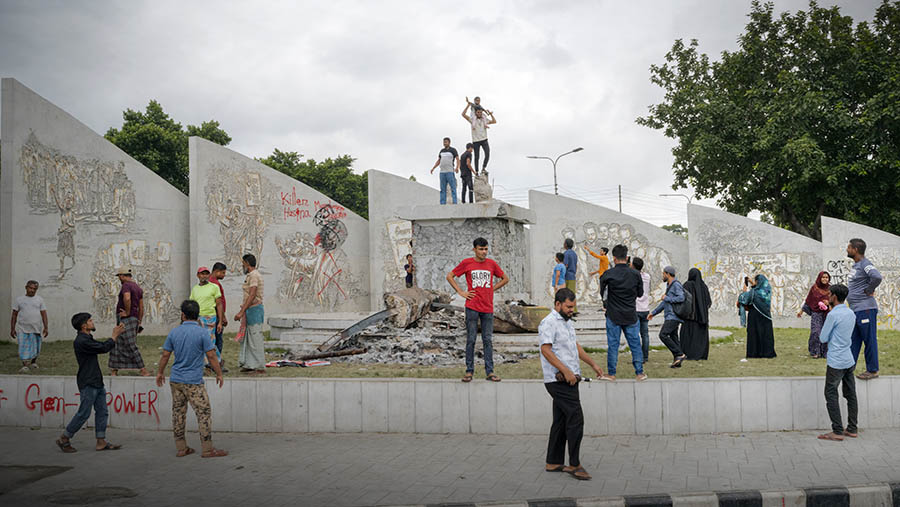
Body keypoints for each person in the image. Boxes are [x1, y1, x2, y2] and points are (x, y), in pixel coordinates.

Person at [539, 288, 604, 481]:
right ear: (557, 304)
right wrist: (566, 371)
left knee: (560, 421)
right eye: (568, 307)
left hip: (571, 378)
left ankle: (553, 461)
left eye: (573, 307)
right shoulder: (548, 322)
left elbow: (575, 346)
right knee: (576, 418)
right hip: (558, 380)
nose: (571, 310)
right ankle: (575, 465)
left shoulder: (567, 323)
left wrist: (592, 363)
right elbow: (545, 350)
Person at [156, 300, 228, 458]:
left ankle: (181, 448)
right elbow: (211, 355)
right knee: (203, 412)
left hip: (176, 380)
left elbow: (166, 355)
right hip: (193, 381)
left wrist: (160, 372)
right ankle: (207, 449)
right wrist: (219, 373)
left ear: (182, 315)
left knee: (178, 413)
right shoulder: (202, 333)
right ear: (198, 316)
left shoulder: (174, 332)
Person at [56, 313, 125, 453]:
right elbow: (103, 347)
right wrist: (114, 335)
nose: (92, 322)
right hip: (88, 381)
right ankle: (64, 437)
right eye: (90, 321)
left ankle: (101, 441)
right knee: (84, 413)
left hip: (95, 380)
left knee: (102, 411)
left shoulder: (87, 338)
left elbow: (102, 346)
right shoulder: (82, 341)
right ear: (84, 326)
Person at [447, 237, 510, 382]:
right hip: (472, 307)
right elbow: (450, 276)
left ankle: (490, 371)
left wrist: (492, 288)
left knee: (487, 339)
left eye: (486, 249)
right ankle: (469, 371)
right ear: (474, 249)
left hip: (487, 307)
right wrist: (461, 292)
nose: (484, 252)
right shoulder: (467, 263)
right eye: (481, 249)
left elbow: (505, 278)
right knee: (471, 339)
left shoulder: (492, 264)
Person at [598, 245, 646, 381]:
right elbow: (640, 294)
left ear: (613, 258)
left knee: (613, 345)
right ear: (626, 258)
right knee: (635, 344)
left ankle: (611, 373)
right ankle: (640, 373)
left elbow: (603, 294)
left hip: (613, 315)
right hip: (630, 314)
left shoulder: (608, 274)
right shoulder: (636, 274)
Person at [817, 284, 858, 441]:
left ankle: (837, 431)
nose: (828, 297)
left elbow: (823, 338)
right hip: (848, 359)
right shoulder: (850, 313)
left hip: (836, 361)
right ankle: (852, 428)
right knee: (850, 394)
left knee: (831, 393)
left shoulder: (833, 315)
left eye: (829, 294)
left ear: (834, 297)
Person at [846, 238, 883, 380]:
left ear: (855, 249)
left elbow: (877, 277)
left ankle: (873, 370)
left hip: (866, 309)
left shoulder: (865, 264)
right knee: (853, 340)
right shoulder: (856, 266)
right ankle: (849, 368)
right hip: (856, 310)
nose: (847, 250)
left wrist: (869, 289)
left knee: (869, 340)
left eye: (849, 247)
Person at [109, 268, 149, 376]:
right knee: (117, 343)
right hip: (134, 318)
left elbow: (127, 298)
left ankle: (143, 370)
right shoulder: (138, 287)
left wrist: (127, 312)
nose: (119, 279)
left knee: (130, 344)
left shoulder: (126, 285)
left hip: (126, 319)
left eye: (119, 276)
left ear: (122, 276)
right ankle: (114, 370)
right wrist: (139, 322)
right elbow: (141, 307)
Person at [648, 266, 687, 368]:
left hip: (673, 316)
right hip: (671, 316)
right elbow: (664, 303)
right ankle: (677, 361)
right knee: (674, 338)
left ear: (668, 274)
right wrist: (653, 313)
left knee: (663, 335)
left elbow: (681, 297)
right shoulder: (669, 286)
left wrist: (668, 298)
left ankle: (679, 354)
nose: (662, 276)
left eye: (663, 274)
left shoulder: (676, 285)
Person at [235, 254, 266, 375]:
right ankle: (249, 364)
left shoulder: (254, 275)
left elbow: (252, 294)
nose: (242, 265)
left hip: (254, 310)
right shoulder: (251, 275)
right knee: (248, 338)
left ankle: (259, 366)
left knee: (255, 338)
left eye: (243, 263)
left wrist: (241, 312)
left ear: (247, 263)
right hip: (250, 310)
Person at [10, 280, 48, 373]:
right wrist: (12, 328)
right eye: (30, 288)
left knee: (36, 347)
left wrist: (46, 327)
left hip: (36, 328)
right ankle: (25, 365)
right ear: (26, 287)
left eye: (34, 289)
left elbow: (44, 314)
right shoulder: (19, 300)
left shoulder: (39, 299)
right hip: (23, 328)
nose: (32, 290)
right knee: (23, 347)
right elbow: (14, 314)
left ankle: (33, 362)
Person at [189, 266, 224, 364]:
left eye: (206, 273)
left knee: (209, 341)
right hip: (198, 318)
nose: (204, 276)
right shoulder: (195, 289)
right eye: (202, 273)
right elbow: (192, 304)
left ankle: (216, 362)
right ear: (198, 275)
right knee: (200, 341)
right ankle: (207, 363)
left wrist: (220, 321)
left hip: (210, 318)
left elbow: (219, 304)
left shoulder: (214, 287)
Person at [740, 274, 777, 358]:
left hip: (754, 316)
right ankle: (767, 353)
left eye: (756, 281)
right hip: (766, 316)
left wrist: (745, 285)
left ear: (758, 282)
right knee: (765, 334)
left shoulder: (754, 292)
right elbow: (758, 287)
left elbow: (743, 298)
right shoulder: (767, 290)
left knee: (754, 334)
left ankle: (754, 353)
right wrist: (751, 282)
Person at [680, 268, 712, 360]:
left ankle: (688, 354)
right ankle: (701, 355)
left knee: (688, 337)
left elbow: (683, 300)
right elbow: (708, 302)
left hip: (690, 318)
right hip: (702, 318)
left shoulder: (687, 285)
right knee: (700, 337)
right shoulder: (704, 286)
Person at [798, 271, 831, 359]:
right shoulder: (814, 288)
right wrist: (801, 311)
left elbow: (834, 301)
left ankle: (825, 352)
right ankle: (815, 351)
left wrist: (828, 303)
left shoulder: (831, 289)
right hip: (816, 314)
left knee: (826, 333)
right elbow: (809, 300)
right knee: (816, 332)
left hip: (827, 314)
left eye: (826, 277)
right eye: (823, 277)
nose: (825, 279)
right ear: (819, 278)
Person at [462, 97, 496, 172]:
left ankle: (484, 168)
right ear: (475, 113)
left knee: (487, 153)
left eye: (480, 112)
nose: (479, 114)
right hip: (476, 140)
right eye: (478, 112)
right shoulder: (472, 120)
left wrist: (491, 115)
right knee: (477, 157)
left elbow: (494, 121)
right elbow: (463, 114)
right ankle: (476, 171)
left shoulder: (484, 119)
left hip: (484, 139)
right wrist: (468, 105)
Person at [632, 258, 652, 363]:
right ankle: (645, 357)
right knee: (645, 334)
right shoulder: (647, 276)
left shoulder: (633, 276)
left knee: (635, 334)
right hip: (645, 308)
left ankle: (637, 357)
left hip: (636, 308)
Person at [209, 262, 228, 370]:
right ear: (217, 271)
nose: (224, 275)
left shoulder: (211, 282)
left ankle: (214, 363)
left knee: (214, 340)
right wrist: (222, 318)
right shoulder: (214, 284)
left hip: (214, 316)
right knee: (217, 341)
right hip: (216, 316)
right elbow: (218, 303)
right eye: (223, 273)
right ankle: (216, 363)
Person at [430, 137, 459, 205]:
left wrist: (457, 167)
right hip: (442, 172)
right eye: (444, 142)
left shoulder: (453, 150)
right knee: (442, 189)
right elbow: (439, 160)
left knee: (453, 188)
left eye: (446, 142)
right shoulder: (442, 151)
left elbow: (458, 159)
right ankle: (442, 203)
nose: (444, 143)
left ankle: (454, 202)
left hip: (450, 171)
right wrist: (433, 168)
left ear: (449, 142)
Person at [562, 238, 578, 313]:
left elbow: (566, 265)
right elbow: (576, 265)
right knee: (572, 293)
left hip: (567, 276)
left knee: (567, 294)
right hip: (573, 275)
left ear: (566, 244)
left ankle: (570, 310)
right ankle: (574, 309)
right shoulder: (574, 254)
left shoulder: (566, 253)